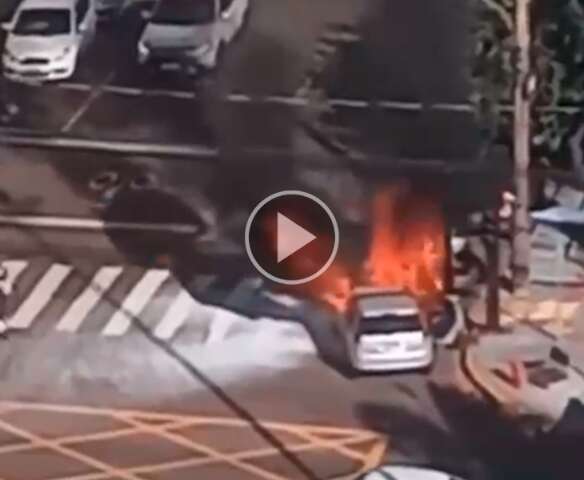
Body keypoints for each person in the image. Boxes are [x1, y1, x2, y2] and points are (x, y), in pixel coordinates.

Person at [0, 266, 11, 338]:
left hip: (1, 304)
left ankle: (3, 331)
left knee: (2, 317)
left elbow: (7, 292)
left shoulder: (5, 284)